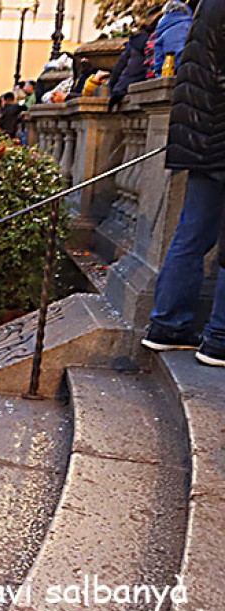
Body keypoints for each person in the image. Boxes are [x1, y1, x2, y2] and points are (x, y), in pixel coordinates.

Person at [141, 0, 225, 366]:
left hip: (200, 137)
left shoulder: (208, 6)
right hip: (217, 132)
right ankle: (219, 338)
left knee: (191, 235)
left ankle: (167, 326)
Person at [108, 5, 163, 111]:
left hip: (123, 89)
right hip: (148, 90)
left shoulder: (135, 42)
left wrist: (114, 89)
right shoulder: (160, 40)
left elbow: (118, 69)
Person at [152, 0, 193, 77]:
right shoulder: (192, 25)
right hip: (192, 70)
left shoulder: (162, 31)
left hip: (170, 72)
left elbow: (158, 61)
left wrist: (160, 75)